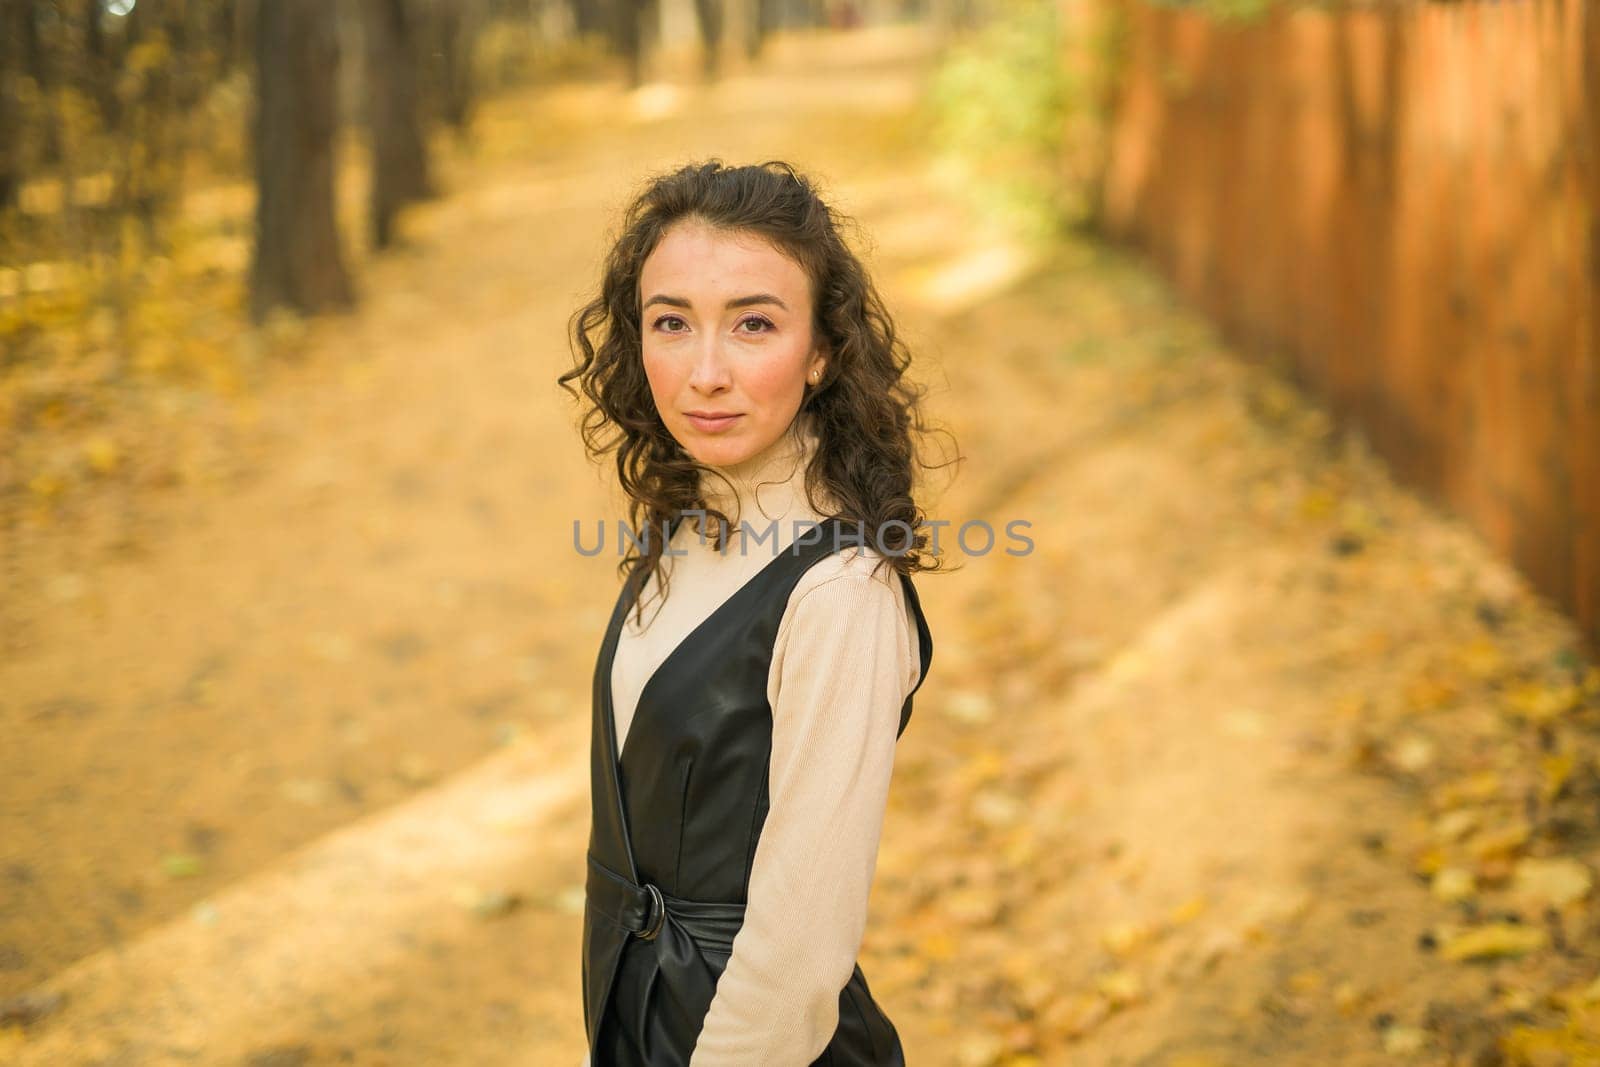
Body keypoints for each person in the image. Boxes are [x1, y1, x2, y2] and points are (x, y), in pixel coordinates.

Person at [557, 158, 949, 1066]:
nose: (705, 373)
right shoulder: (694, 520)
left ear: (821, 352)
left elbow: (798, 959)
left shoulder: (840, 594)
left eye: (754, 325)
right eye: (671, 323)